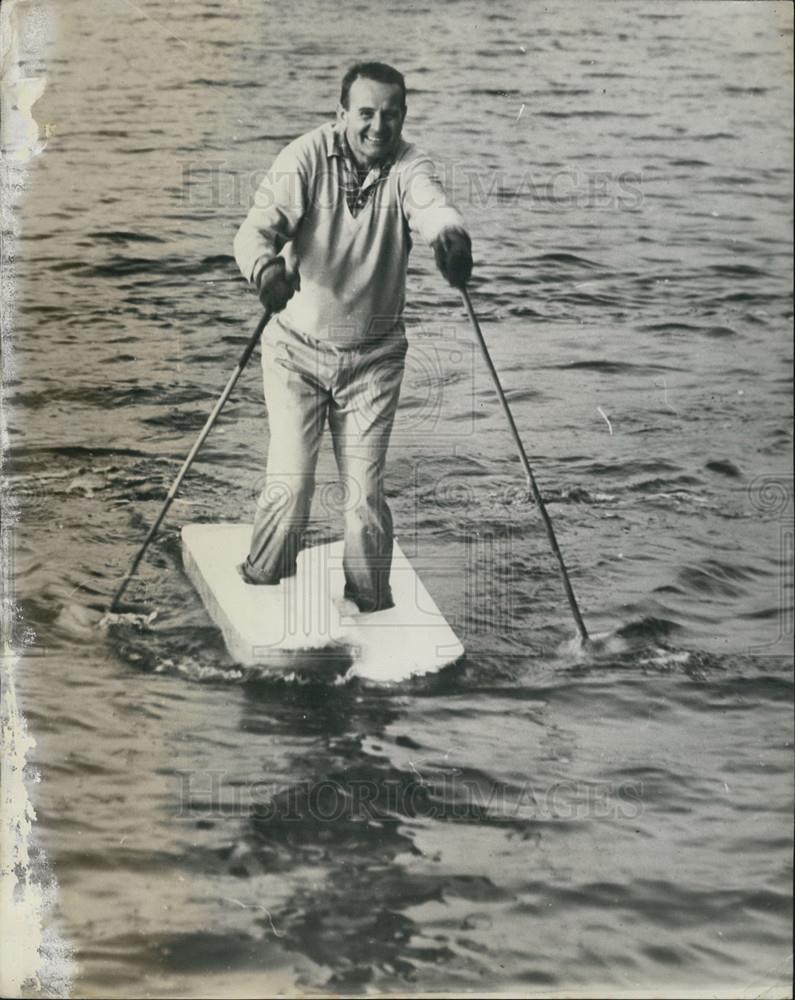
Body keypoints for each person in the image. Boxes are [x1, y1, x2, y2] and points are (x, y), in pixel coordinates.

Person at [233, 61, 472, 613]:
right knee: (292, 484)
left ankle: (370, 604)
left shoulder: (410, 165)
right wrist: (266, 272)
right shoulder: (306, 157)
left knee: (363, 498)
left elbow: (431, 206)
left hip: (373, 360)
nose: (377, 127)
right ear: (342, 115)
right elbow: (254, 231)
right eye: (365, 113)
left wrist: (451, 239)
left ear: (403, 117)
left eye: (390, 115)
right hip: (296, 352)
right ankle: (262, 583)